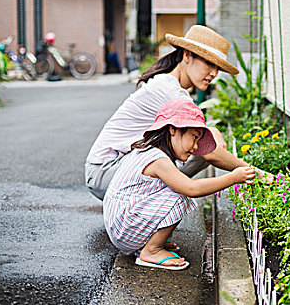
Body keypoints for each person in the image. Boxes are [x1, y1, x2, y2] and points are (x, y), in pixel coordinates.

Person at [85, 25, 271, 201]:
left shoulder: (169, 84)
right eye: (208, 63)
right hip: (105, 171)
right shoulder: (170, 91)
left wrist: (212, 130)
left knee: (198, 140)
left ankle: (153, 203)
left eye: (218, 68)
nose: (214, 73)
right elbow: (210, 152)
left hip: (113, 169)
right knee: (200, 147)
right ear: (187, 55)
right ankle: (154, 206)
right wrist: (257, 174)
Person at [103, 99, 256, 270]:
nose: (196, 146)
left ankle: (150, 241)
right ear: (173, 129)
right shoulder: (157, 159)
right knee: (180, 194)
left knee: (174, 189)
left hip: (121, 225)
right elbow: (192, 188)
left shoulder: (148, 151)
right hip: (124, 229)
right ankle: (152, 250)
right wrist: (233, 177)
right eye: (194, 137)